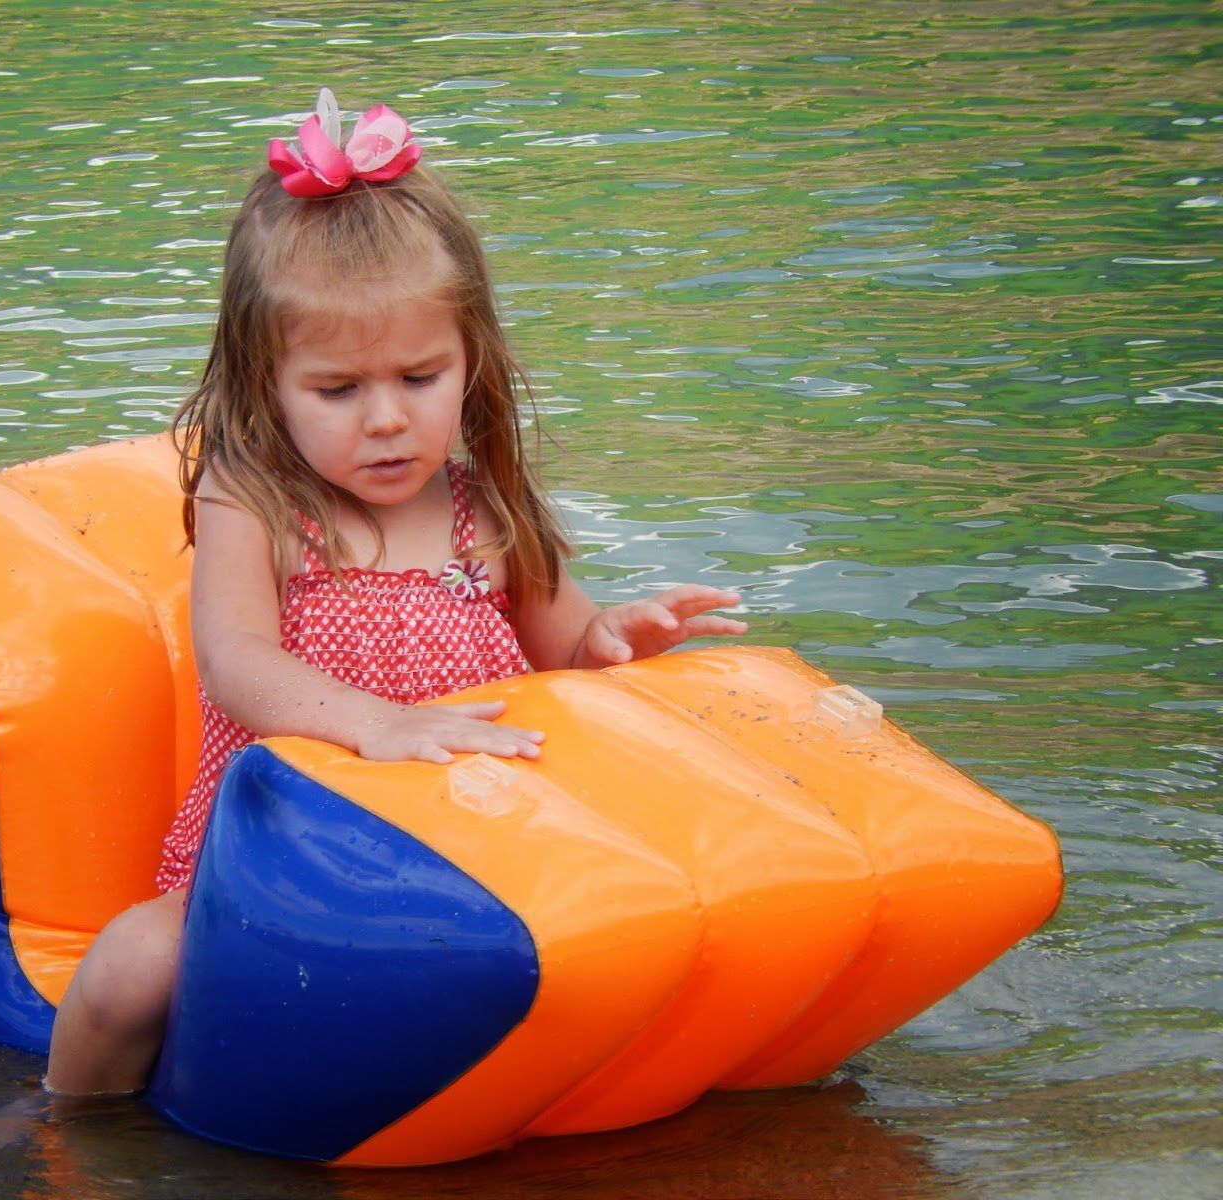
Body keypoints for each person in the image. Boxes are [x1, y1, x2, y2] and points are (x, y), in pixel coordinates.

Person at [43, 90, 747, 1096]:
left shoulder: (484, 508)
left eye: (420, 378)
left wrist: (612, 639)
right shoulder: (254, 499)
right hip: (279, 863)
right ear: (265, 382)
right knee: (129, 969)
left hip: (480, 858)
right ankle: (60, 1132)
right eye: (338, 390)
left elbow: (565, 652)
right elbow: (235, 662)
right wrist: (373, 723)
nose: (385, 420)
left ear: (471, 361)